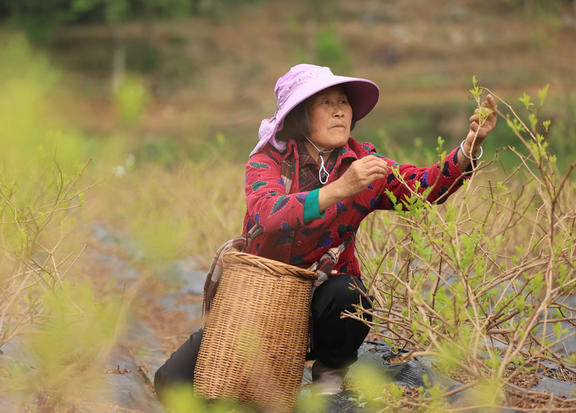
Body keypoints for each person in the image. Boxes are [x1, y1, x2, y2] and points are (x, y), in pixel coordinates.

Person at [154, 63, 497, 398]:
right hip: (258, 302)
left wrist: (470, 147)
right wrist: (340, 189)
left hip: (323, 303)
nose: (339, 112)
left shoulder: (362, 162)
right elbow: (268, 214)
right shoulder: (268, 162)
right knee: (173, 383)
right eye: (326, 103)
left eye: (343, 102)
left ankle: (330, 373)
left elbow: (425, 188)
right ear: (301, 115)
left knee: (351, 295)